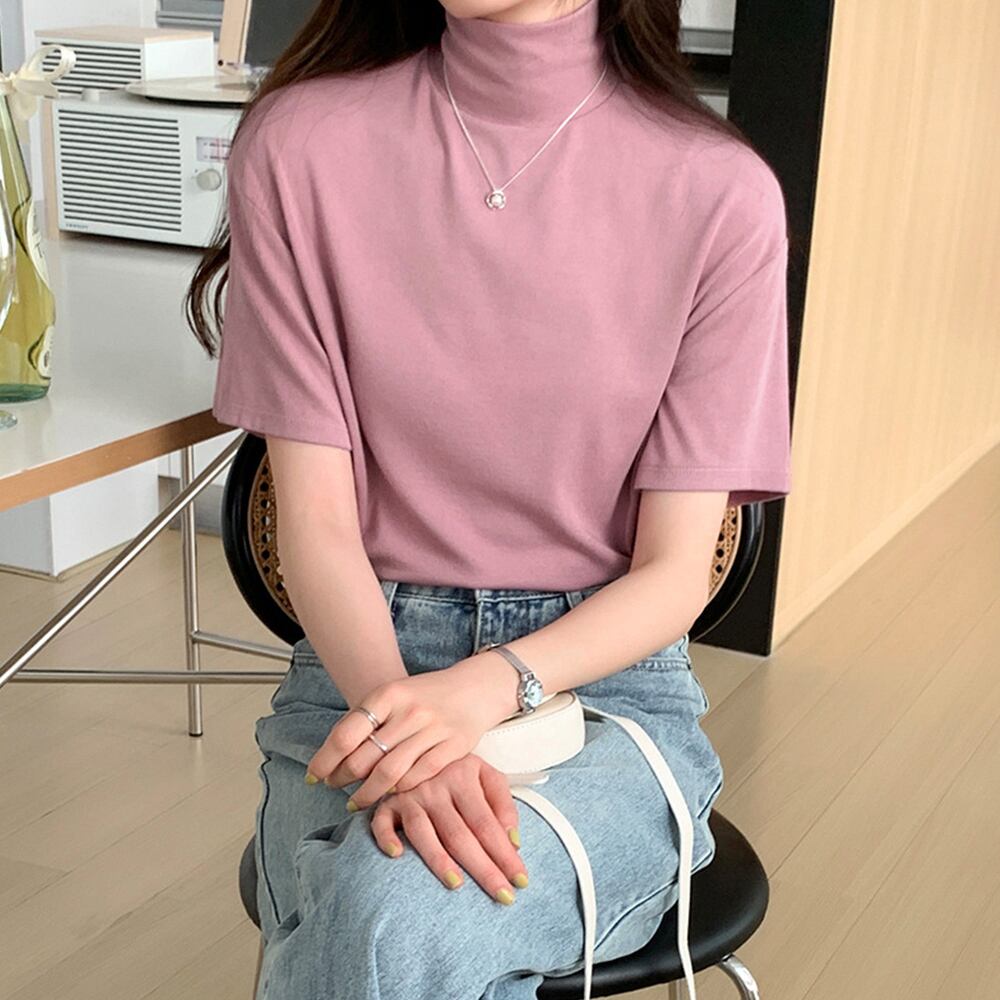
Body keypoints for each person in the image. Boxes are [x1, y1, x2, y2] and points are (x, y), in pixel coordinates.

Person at [186, 1, 792, 997]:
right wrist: (414, 736)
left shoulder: (719, 193)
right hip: (360, 674)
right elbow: (317, 528)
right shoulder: (298, 147)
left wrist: (483, 691)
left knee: (390, 914)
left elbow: (679, 568)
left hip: (601, 691)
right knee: (391, 916)